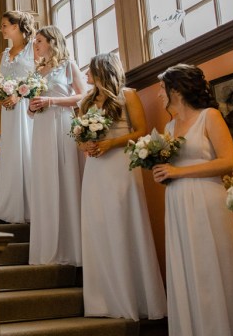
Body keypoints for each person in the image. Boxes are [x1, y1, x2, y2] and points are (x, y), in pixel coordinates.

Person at [153, 64, 233, 335]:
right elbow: (171, 165)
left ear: (176, 90)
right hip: (177, 201)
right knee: (186, 267)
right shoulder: (170, 125)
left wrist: (179, 171)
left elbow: (228, 161)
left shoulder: (210, 117)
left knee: (211, 265)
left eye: (162, 88)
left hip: (207, 200)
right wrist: (163, 173)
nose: (159, 95)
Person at [79, 53, 166, 321]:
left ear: (103, 70)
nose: (85, 75)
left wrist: (110, 144)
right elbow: (80, 134)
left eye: (90, 70)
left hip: (121, 164)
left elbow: (141, 130)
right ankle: (102, 300)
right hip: (95, 168)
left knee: (122, 224)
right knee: (97, 225)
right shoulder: (86, 101)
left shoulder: (128, 95)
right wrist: (86, 144)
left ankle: (133, 298)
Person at [27, 25, 86, 265]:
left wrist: (51, 100)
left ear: (52, 42)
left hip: (62, 124)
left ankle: (71, 248)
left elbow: (83, 96)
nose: (36, 45)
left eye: (39, 40)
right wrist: (31, 107)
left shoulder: (68, 66)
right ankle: (47, 247)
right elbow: (31, 107)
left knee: (65, 177)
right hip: (40, 128)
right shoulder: (37, 71)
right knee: (44, 181)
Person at [0, 10, 35, 223]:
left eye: (4, 25)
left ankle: (31, 204)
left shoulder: (32, 48)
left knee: (27, 148)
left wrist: (19, 95)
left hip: (26, 106)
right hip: (8, 110)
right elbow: (1, 79)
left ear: (16, 26)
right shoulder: (5, 54)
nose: (1, 29)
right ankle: (10, 202)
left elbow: (39, 77)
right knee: (12, 149)